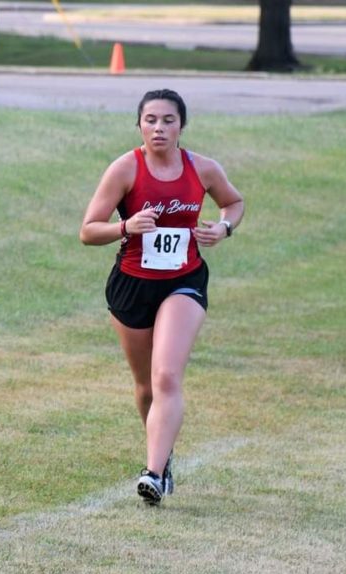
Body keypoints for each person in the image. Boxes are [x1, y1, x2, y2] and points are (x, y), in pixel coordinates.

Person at [79, 89, 244, 506]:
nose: (159, 128)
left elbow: (234, 202)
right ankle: (163, 456)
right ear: (139, 125)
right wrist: (126, 227)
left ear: (181, 126)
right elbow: (88, 230)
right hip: (132, 285)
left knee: (166, 375)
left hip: (183, 281)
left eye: (168, 120)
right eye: (151, 119)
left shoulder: (202, 169)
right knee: (145, 386)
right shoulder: (124, 170)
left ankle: (152, 474)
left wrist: (223, 229)